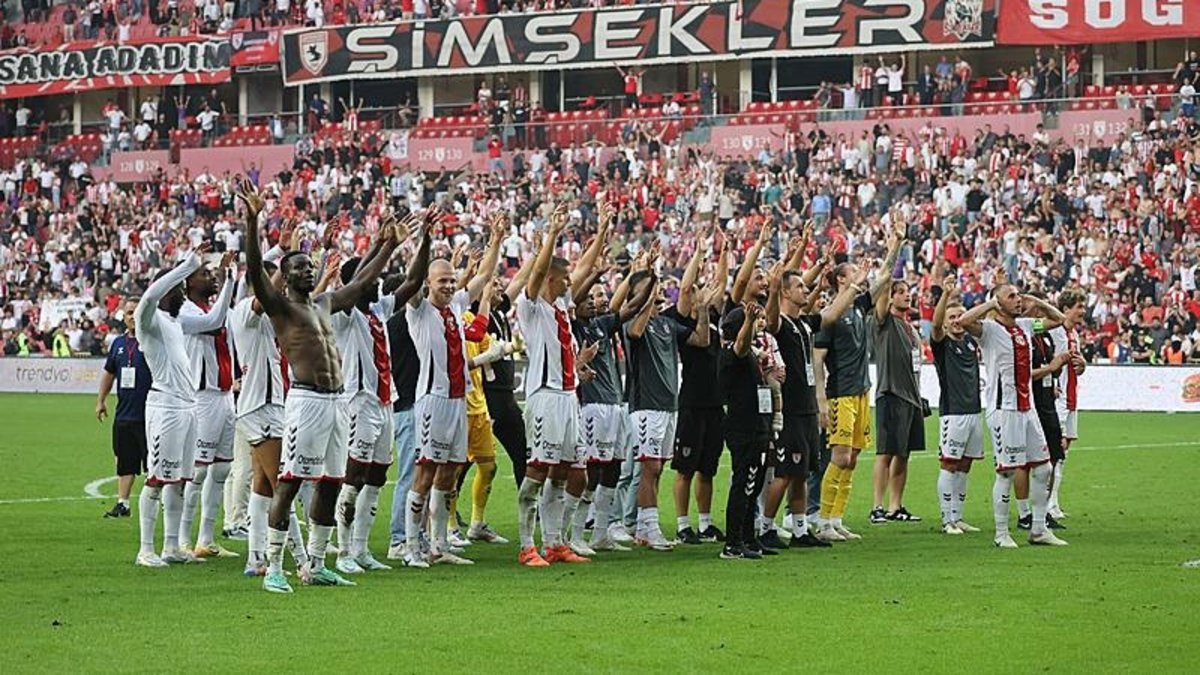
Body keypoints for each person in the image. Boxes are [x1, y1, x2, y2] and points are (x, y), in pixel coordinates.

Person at [240, 183, 401, 593]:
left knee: (330, 481)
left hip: (338, 402)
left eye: (310, 266)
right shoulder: (281, 308)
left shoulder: (324, 303)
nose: (307, 271)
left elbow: (362, 284)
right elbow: (255, 269)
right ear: (285, 277)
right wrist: (253, 220)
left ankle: (315, 564)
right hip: (307, 401)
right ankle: (275, 568)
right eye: (299, 268)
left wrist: (387, 245)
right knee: (291, 480)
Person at [401, 210, 502, 568]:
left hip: (459, 401)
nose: (448, 286)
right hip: (433, 400)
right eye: (441, 280)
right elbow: (412, 278)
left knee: (448, 473)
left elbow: (484, 276)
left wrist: (497, 239)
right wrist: (425, 240)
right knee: (425, 473)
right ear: (428, 283)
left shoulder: (457, 305)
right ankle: (411, 547)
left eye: (451, 280)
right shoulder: (418, 309)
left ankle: (439, 545)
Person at [331, 220, 431, 576]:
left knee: (375, 478)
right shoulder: (343, 315)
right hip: (358, 402)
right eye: (371, 280)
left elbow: (414, 282)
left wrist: (425, 239)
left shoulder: (378, 310)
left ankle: (360, 550)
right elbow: (361, 279)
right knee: (353, 478)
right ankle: (343, 551)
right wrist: (384, 245)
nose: (377, 284)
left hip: (384, 402)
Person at [762, 246, 864, 548]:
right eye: (800, 287)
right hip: (790, 409)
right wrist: (773, 289)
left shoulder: (804, 323)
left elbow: (832, 313)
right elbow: (770, 318)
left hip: (806, 408)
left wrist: (855, 287)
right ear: (785, 292)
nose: (806, 290)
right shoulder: (779, 324)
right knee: (784, 473)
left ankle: (800, 529)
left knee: (802, 473)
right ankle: (765, 528)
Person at [513, 206, 595, 566]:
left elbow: (583, 269)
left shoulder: (562, 309)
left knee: (562, 472)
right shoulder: (531, 307)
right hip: (544, 397)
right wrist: (552, 234)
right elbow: (539, 272)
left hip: (568, 398)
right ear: (550, 279)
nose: (569, 284)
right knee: (537, 472)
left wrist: (602, 232)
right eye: (564, 280)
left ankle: (554, 543)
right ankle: (525, 546)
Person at [958, 282, 1069, 548]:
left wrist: (1035, 300)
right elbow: (963, 321)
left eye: (1018, 295)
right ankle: (1001, 533)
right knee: (1006, 472)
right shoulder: (988, 330)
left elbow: (1059, 320)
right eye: (1012, 296)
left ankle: (1038, 529)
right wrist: (990, 304)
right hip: (1003, 410)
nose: (1018, 299)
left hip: (1027, 408)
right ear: (998, 302)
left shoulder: (1026, 326)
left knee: (1043, 467)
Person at [813, 226, 903, 542]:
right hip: (840, 394)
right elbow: (817, 359)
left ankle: (836, 519)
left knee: (851, 460)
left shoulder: (859, 306)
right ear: (841, 280)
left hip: (861, 392)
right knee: (839, 457)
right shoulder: (830, 315)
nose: (861, 274)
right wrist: (821, 400)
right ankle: (823, 521)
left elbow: (885, 278)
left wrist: (896, 243)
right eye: (853, 271)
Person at [230, 258, 313, 578]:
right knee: (283, 487)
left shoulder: (269, 317)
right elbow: (269, 291)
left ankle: (255, 559)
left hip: (268, 406)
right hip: (260, 408)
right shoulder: (243, 312)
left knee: (263, 486)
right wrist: (285, 262)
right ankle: (303, 561)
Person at [132, 247, 211, 568]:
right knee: (156, 479)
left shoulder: (175, 323)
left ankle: (171, 546)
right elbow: (149, 297)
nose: (182, 294)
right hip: (165, 408)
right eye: (177, 289)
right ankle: (145, 550)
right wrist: (188, 266)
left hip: (187, 407)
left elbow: (214, 320)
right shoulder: (149, 321)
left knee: (179, 480)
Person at [624, 247, 705, 551]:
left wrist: (703, 308)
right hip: (646, 406)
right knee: (650, 468)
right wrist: (646, 292)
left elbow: (701, 340)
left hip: (669, 406)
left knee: (657, 468)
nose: (658, 298)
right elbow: (634, 332)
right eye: (652, 294)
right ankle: (649, 527)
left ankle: (644, 528)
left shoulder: (667, 324)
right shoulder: (634, 322)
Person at [177, 249, 237, 559]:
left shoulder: (211, 307)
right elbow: (215, 322)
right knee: (198, 471)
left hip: (225, 395)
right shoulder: (183, 311)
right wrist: (229, 280)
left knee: (222, 468)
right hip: (201, 397)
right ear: (187, 282)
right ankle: (182, 540)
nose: (211, 277)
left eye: (213, 273)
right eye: (205, 273)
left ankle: (206, 539)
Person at [869, 219, 925, 525]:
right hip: (891, 393)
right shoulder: (884, 322)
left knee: (904, 454)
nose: (907, 295)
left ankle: (895, 506)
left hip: (911, 398)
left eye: (908, 292)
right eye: (900, 292)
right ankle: (877, 506)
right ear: (889, 297)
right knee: (886, 453)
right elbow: (883, 280)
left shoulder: (911, 328)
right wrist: (896, 245)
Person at [670, 237, 726, 545]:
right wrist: (699, 253)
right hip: (692, 402)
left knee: (708, 469)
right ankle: (682, 525)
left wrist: (724, 252)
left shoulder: (713, 319)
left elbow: (723, 282)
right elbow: (685, 287)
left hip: (715, 404)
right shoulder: (681, 322)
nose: (698, 294)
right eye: (694, 293)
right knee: (685, 469)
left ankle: (705, 523)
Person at [930, 273, 984, 535]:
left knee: (965, 465)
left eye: (960, 316)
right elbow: (935, 326)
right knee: (950, 464)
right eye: (951, 317)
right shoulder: (942, 344)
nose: (956, 321)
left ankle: (958, 516)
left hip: (974, 411)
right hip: (953, 414)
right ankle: (946, 519)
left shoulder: (971, 342)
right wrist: (945, 295)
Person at [718, 304, 771, 560]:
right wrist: (748, 320)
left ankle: (749, 538)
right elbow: (740, 345)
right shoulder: (732, 353)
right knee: (744, 484)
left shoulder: (750, 353)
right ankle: (733, 543)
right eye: (751, 320)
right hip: (744, 428)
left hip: (757, 427)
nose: (759, 323)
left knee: (753, 484)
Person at [96, 297, 152, 519]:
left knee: (153, 463)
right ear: (124, 317)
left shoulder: (153, 341)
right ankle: (123, 503)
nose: (133, 317)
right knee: (124, 461)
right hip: (124, 414)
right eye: (129, 313)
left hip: (150, 414)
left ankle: (160, 503)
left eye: (136, 313)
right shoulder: (118, 344)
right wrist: (101, 400)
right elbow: (109, 373)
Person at [1049, 290, 1087, 520]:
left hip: (1072, 398)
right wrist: (1051, 383)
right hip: (1058, 399)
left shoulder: (1074, 334)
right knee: (1056, 450)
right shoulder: (1055, 331)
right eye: (1078, 307)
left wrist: (1083, 365)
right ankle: (1048, 504)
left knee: (1064, 451)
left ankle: (1053, 502)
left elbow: (1076, 366)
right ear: (1065, 309)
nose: (1083, 311)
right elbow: (1046, 359)